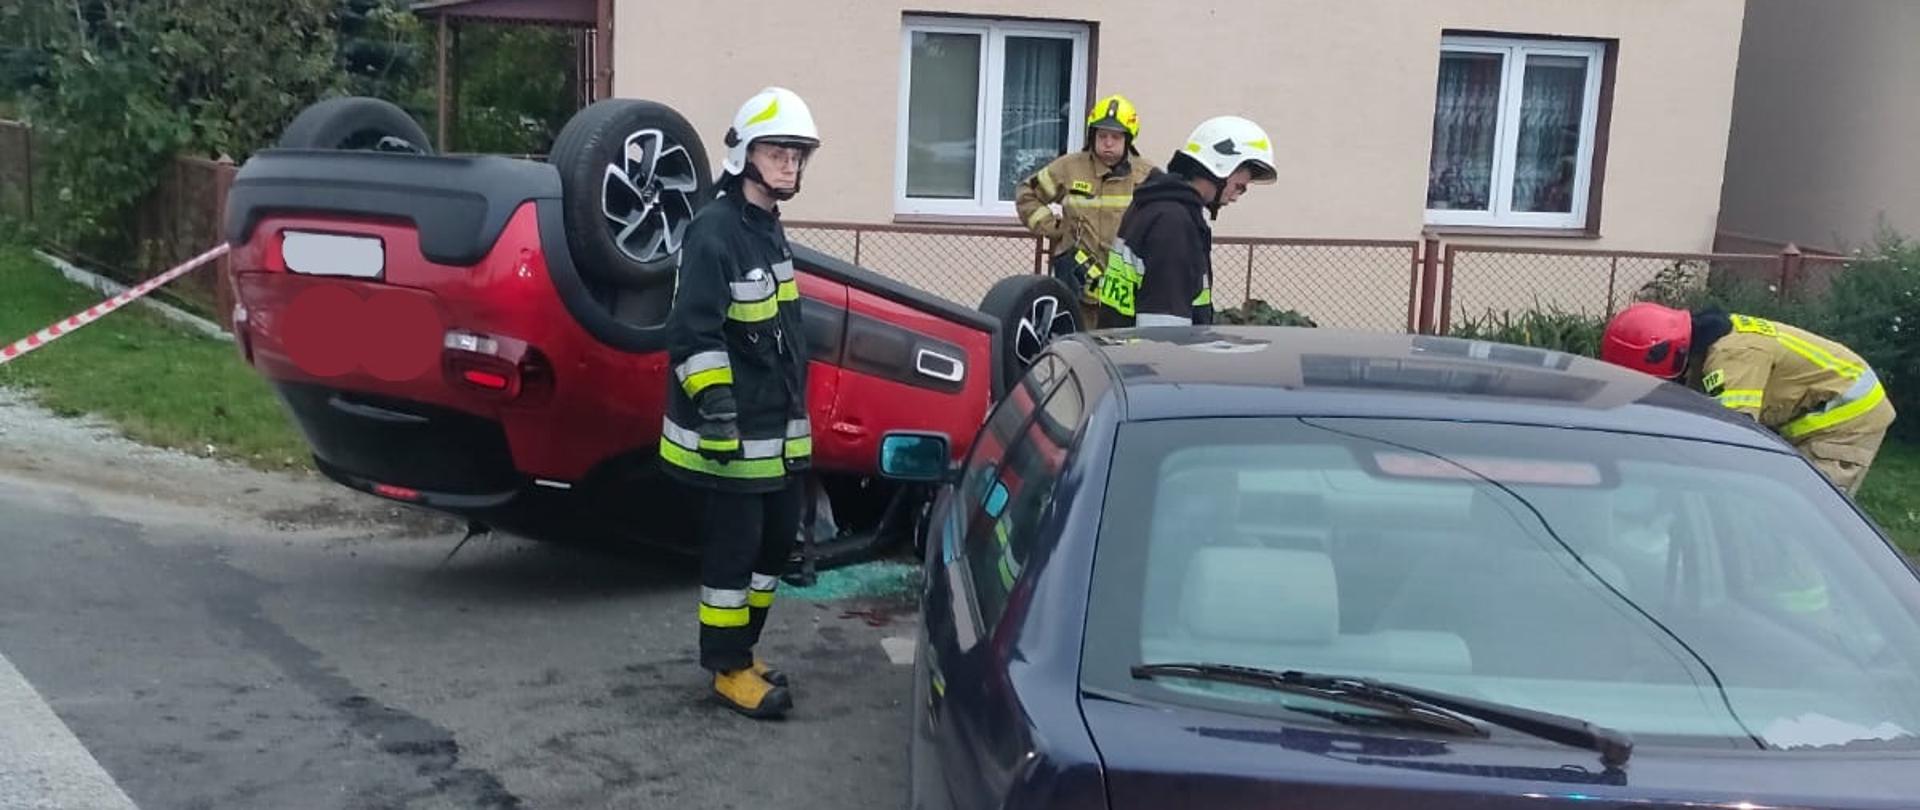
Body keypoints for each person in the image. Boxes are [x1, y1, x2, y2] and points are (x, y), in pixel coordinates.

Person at [661, 86, 819, 719]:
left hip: (773, 426)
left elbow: (781, 333)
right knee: (734, 554)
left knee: (773, 545)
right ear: (744, 155)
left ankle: (744, 650)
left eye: (797, 155)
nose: (790, 165)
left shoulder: (766, 229)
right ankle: (726, 669)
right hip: (731, 432)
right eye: (778, 152)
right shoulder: (714, 232)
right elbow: (691, 335)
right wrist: (719, 413)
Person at [1600, 302, 1896, 496]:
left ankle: (1812, 591)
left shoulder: (1733, 356)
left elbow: (1732, 437)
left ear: (1673, 357)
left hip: (1846, 421)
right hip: (1815, 413)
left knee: (1802, 517)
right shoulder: (1711, 344)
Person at [1092, 116, 1276, 328]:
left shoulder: (1154, 204)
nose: (1235, 197)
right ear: (1220, 169)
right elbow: (1164, 331)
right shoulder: (1173, 224)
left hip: (1120, 352)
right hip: (1148, 357)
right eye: (1239, 187)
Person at [1014, 95, 1156, 323]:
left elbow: (1163, 220)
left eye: (1116, 137)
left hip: (1126, 295)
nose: (1108, 142)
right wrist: (1055, 228)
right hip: (1077, 289)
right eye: (1102, 136)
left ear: (1129, 139)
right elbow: (1027, 193)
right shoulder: (1069, 167)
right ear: (1092, 136)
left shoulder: (1147, 175)